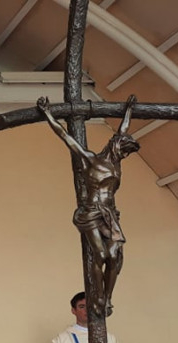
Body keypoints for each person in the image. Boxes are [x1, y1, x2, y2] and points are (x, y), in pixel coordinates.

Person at [37, 95, 139, 317]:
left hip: (109, 214)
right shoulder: (90, 159)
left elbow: (123, 129)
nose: (125, 155)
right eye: (124, 150)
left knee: (114, 255)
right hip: (91, 212)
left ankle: (108, 298)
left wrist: (129, 110)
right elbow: (65, 136)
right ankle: (98, 297)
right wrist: (47, 114)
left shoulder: (116, 164)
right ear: (116, 146)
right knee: (100, 254)